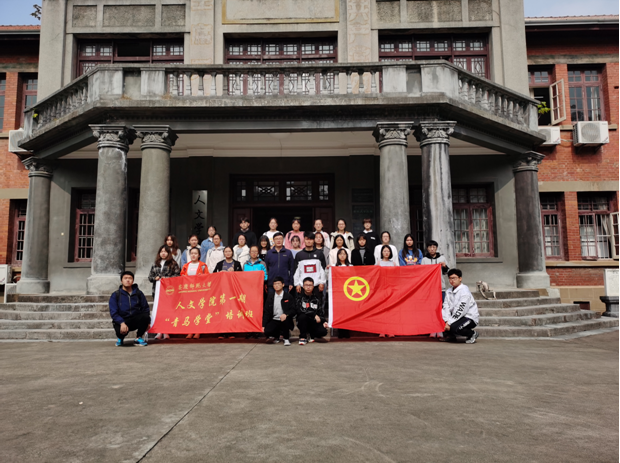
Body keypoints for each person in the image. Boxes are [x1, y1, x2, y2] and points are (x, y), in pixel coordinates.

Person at [109, 271, 150, 347]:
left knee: (145, 316)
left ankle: (138, 337)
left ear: (133, 281)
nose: (128, 280)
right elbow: (113, 312)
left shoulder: (138, 293)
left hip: (135, 319)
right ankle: (120, 338)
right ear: (121, 281)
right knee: (120, 331)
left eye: (130, 278)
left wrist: (148, 322)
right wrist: (121, 322)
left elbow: (145, 308)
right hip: (123, 320)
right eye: (125, 278)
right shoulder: (116, 295)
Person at [148, 245, 180, 341]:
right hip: (157, 291)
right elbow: (150, 277)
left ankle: (166, 331)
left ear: (168, 253)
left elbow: (177, 276)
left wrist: (166, 279)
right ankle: (159, 331)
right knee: (158, 311)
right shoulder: (155, 264)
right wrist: (155, 278)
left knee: (167, 311)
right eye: (161, 251)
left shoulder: (173, 263)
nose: (163, 253)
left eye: (165, 251)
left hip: (169, 291)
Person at [442, 269, 480, 344]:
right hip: (456, 317)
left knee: (454, 327)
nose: (452, 280)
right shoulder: (448, 291)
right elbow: (446, 306)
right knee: (441, 318)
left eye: (454, 278)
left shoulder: (464, 292)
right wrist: (446, 320)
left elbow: (461, 309)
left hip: (469, 317)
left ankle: (472, 334)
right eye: (450, 278)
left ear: (460, 278)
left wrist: (449, 323)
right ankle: (451, 336)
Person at [262, 277, 295, 346]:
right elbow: (266, 312)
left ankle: (286, 338)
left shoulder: (288, 296)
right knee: (267, 331)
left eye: (278, 284)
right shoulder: (270, 297)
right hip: (274, 319)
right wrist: (264, 325)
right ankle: (276, 336)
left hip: (285, 319)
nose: (276, 285)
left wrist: (286, 314)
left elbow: (293, 309)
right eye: (275, 284)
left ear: (283, 285)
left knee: (285, 320)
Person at [296, 277, 329, 345]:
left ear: (313, 286)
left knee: (323, 332)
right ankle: (303, 337)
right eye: (306, 285)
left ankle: (311, 334)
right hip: (303, 321)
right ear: (303, 286)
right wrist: (313, 315)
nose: (308, 287)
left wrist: (324, 321)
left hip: (314, 322)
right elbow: (300, 310)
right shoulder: (299, 298)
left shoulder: (317, 299)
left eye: (310, 285)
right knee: (302, 316)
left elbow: (320, 312)